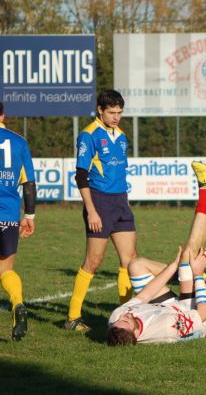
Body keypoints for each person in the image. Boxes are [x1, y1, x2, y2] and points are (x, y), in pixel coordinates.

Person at [107, 160, 206, 345]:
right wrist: (197, 276)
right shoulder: (166, 328)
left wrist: (174, 266)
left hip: (167, 307)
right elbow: (204, 314)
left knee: (136, 265)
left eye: (120, 319)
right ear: (137, 333)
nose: (125, 314)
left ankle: (181, 272)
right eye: (126, 320)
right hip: (193, 312)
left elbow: (145, 296)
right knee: (188, 253)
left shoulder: (116, 319)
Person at [65, 90, 138, 332]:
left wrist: (123, 200)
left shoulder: (122, 135)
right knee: (93, 262)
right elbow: (81, 175)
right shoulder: (88, 135)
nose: (116, 117)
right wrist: (92, 211)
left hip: (120, 202)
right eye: (112, 112)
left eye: (120, 112)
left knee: (130, 261)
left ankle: (124, 314)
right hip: (99, 202)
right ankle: (73, 316)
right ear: (100, 110)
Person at [0, 102, 36, 341]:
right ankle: (18, 304)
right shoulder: (19, 141)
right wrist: (29, 215)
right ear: (2, 115)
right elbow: (29, 184)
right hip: (9, 214)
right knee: (5, 269)